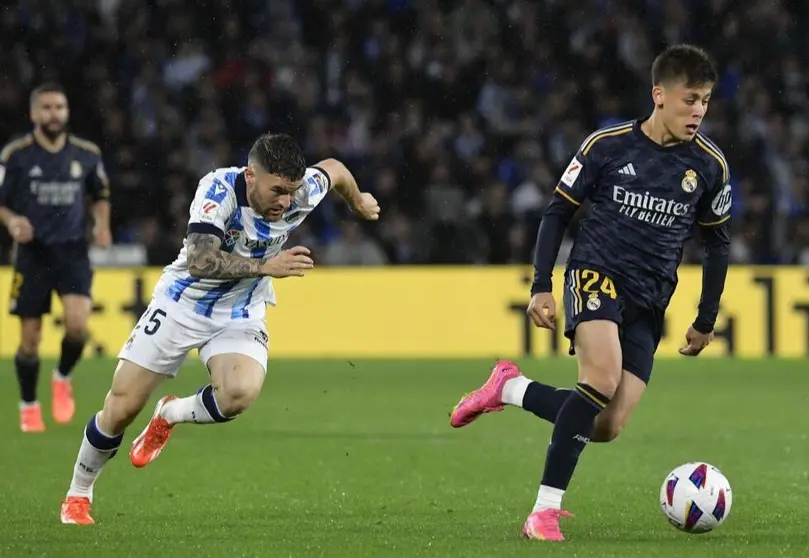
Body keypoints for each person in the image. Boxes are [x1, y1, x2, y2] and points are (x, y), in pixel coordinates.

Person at [449, 44, 732, 541]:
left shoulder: (709, 166)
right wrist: (541, 286)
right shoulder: (608, 145)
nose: (699, 112)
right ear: (658, 95)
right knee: (598, 377)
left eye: (706, 101)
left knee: (606, 425)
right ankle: (544, 511)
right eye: (690, 100)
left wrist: (706, 319)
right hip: (595, 273)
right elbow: (557, 211)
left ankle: (509, 388)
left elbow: (717, 244)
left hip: (650, 298)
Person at [58, 133, 380, 525]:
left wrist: (358, 200)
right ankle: (79, 492)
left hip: (239, 310)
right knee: (121, 407)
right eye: (276, 190)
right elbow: (200, 260)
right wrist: (266, 266)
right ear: (250, 176)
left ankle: (171, 414)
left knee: (240, 393)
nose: (284, 201)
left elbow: (337, 170)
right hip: (182, 304)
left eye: (291, 192)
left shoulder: (301, 192)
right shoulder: (217, 189)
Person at [0, 82, 112, 433]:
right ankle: (29, 404)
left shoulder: (86, 154)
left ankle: (62, 376)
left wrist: (103, 226)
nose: (54, 114)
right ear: (34, 113)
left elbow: (101, 194)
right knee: (30, 340)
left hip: (73, 252)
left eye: (59, 107)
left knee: (78, 325)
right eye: (46, 108)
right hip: (32, 256)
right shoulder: (15, 155)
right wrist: (12, 220)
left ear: (67, 112)